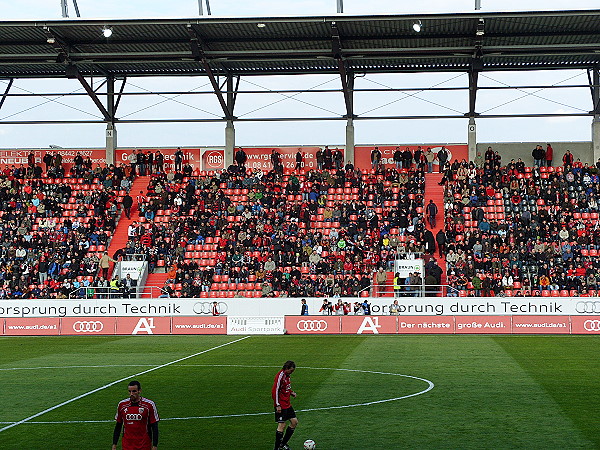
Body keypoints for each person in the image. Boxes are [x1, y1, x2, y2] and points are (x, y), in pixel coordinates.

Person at [113, 380, 159, 450]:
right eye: (129, 391)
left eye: (134, 391)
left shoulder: (149, 405)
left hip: (144, 445)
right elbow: (118, 426)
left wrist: (155, 445)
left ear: (139, 391)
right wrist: (114, 444)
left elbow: (154, 426)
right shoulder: (122, 405)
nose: (131, 394)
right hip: (127, 445)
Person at [272, 361, 298, 450]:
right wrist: (277, 405)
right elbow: (275, 391)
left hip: (287, 404)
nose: (291, 372)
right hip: (281, 405)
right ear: (286, 369)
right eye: (291, 371)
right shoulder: (280, 376)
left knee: (294, 422)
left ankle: (282, 444)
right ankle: (277, 448)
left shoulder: (287, 376)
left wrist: (291, 393)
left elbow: (286, 387)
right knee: (281, 426)